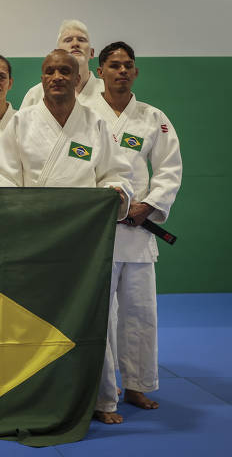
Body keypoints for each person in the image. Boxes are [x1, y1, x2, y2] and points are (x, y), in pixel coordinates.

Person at [89, 42, 183, 424]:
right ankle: (102, 396)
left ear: (136, 72)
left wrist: (150, 205)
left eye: (128, 65)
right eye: (114, 65)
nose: (122, 71)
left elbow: (168, 168)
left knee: (140, 314)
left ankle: (137, 385)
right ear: (100, 71)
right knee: (101, 318)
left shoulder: (151, 117)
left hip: (140, 229)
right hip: (98, 231)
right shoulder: (84, 113)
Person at [0, 49, 132, 215]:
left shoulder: (96, 123)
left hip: (82, 221)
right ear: (42, 80)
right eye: (49, 72)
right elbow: (7, 178)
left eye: (65, 71)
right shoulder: (21, 121)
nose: (57, 77)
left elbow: (114, 173)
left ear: (77, 79)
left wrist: (115, 190)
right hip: (33, 221)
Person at [20, 19, 104, 109]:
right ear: (58, 53)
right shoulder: (36, 94)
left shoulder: (106, 90)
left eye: (81, 40)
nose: (75, 44)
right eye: (68, 40)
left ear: (92, 53)